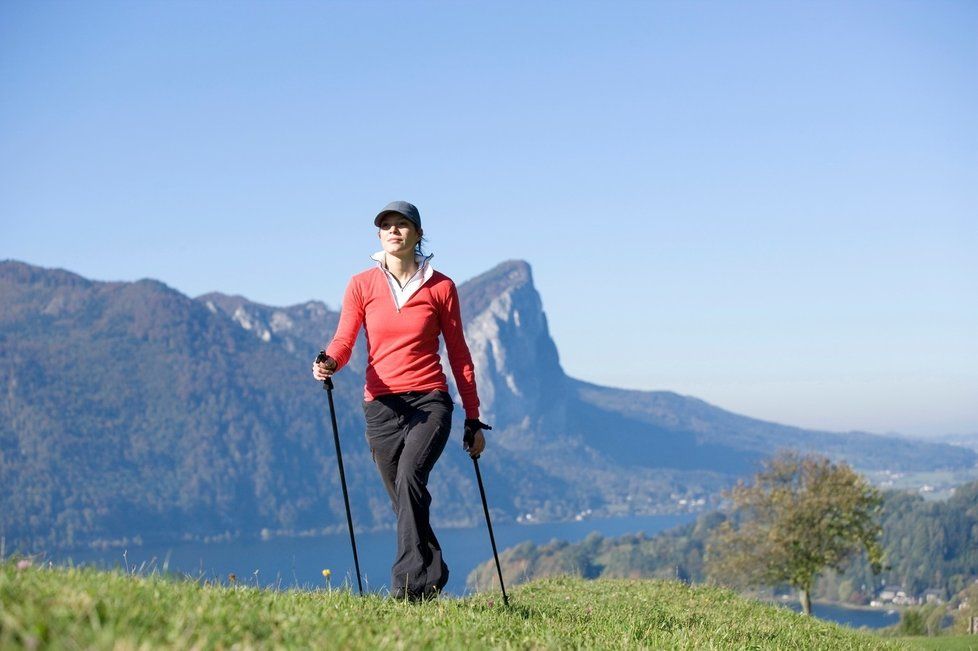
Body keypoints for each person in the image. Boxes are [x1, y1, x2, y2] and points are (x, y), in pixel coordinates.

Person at [312, 200, 489, 601]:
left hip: (429, 401)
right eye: (386, 225)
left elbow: (459, 354)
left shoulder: (441, 287)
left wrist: (473, 418)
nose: (394, 231)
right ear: (379, 236)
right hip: (381, 406)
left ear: (418, 234)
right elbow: (345, 339)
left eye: (403, 224)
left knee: (410, 478)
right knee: (403, 500)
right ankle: (433, 569)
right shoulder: (361, 284)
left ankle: (407, 590)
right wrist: (330, 362)